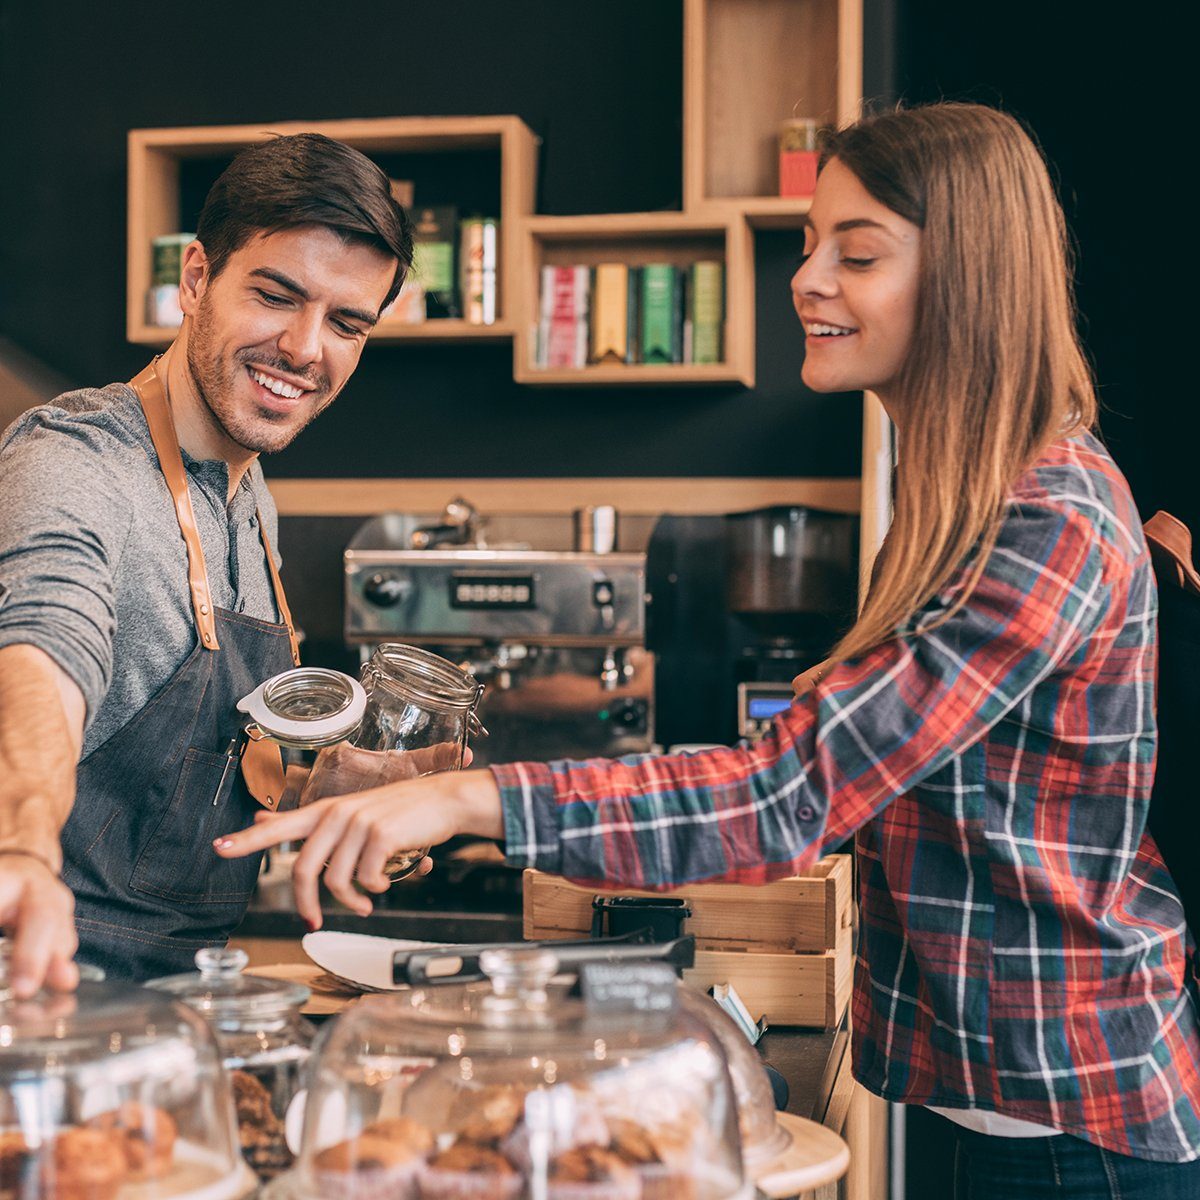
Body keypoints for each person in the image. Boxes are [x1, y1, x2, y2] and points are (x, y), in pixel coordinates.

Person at [218, 104, 1200, 1195]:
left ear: (972, 277)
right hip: (993, 1106)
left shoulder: (1043, 519)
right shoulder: (963, 504)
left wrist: (462, 802)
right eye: (810, 243)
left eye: (857, 253)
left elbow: (788, 796)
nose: (809, 278)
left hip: (1073, 1130)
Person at [0, 132, 412, 988]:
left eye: (346, 323)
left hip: (185, 994)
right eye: (276, 296)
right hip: (50, 994)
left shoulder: (248, 495)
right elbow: (41, 652)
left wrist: (351, 796)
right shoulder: (73, 460)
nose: (305, 348)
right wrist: (21, 850)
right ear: (195, 280)